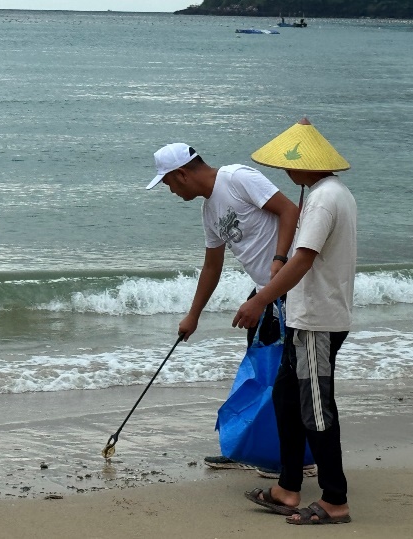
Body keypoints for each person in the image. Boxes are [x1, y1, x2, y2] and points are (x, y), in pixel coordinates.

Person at [146, 142, 303, 473]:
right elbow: (211, 267)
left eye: (168, 183)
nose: (170, 191)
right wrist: (193, 316)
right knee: (260, 374)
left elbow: (289, 210)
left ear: (182, 174)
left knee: (286, 378)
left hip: (293, 289)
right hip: (265, 295)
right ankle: (250, 447)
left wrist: (279, 260)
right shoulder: (209, 211)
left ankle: (295, 461)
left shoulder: (237, 178)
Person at [233, 117, 356, 524]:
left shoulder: (324, 199)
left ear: (306, 164)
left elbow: (304, 259)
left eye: (290, 163)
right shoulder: (329, 193)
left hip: (317, 321)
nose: (286, 171)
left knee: (316, 410)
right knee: (287, 401)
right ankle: (287, 488)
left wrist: (261, 300)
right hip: (307, 319)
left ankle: (335, 500)